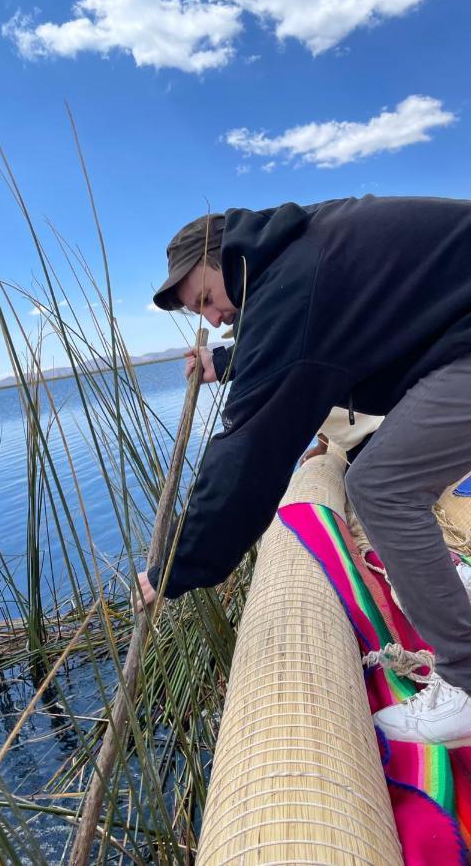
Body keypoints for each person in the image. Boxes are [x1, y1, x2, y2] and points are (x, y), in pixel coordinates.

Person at [137, 196, 471, 747]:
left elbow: (250, 448)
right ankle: (451, 589)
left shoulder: (299, 277)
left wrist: (176, 563)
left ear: (222, 254)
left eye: (206, 299)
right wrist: (225, 362)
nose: (215, 317)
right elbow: (295, 332)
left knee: (380, 486)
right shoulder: (296, 246)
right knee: (381, 483)